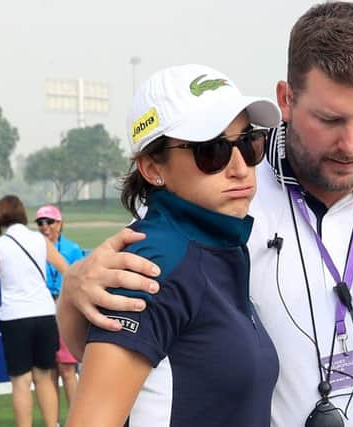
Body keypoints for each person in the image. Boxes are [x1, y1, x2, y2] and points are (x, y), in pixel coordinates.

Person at [59, 2, 353, 426]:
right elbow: (126, 344)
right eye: (328, 120)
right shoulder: (214, 199)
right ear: (285, 99)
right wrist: (73, 290)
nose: (349, 144)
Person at [63, 64, 281, 427]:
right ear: (152, 168)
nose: (241, 167)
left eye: (249, 142)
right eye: (212, 150)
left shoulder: (218, 246)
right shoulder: (154, 262)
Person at [0, 195, 68, 427]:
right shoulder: (39, 240)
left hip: (15, 317)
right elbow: (66, 269)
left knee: (21, 381)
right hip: (45, 313)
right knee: (45, 377)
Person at [35, 205, 84, 410]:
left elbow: (80, 281)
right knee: (49, 371)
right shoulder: (35, 247)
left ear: (60, 223)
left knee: (67, 368)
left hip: (64, 312)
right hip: (42, 313)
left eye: (49, 222)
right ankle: (52, 421)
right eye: (40, 223)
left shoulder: (72, 249)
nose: (45, 227)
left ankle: (77, 420)